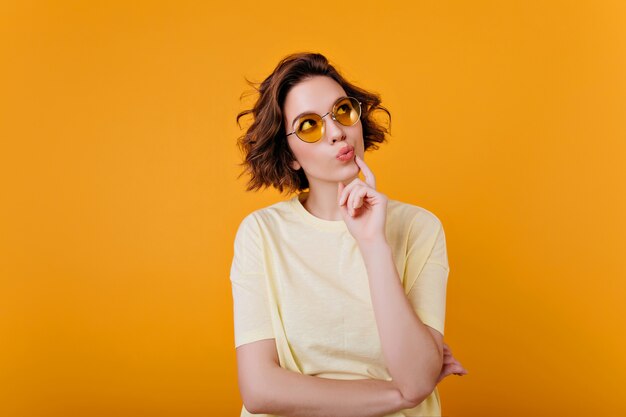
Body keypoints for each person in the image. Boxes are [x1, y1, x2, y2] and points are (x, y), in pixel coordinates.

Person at [230, 52, 467, 417]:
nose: (338, 131)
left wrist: (373, 245)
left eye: (342, 111)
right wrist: (400, 396)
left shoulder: (420, 227)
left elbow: (417, 376)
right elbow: (260, 389)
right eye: (310, 125)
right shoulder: (261, 234)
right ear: (290, 154)